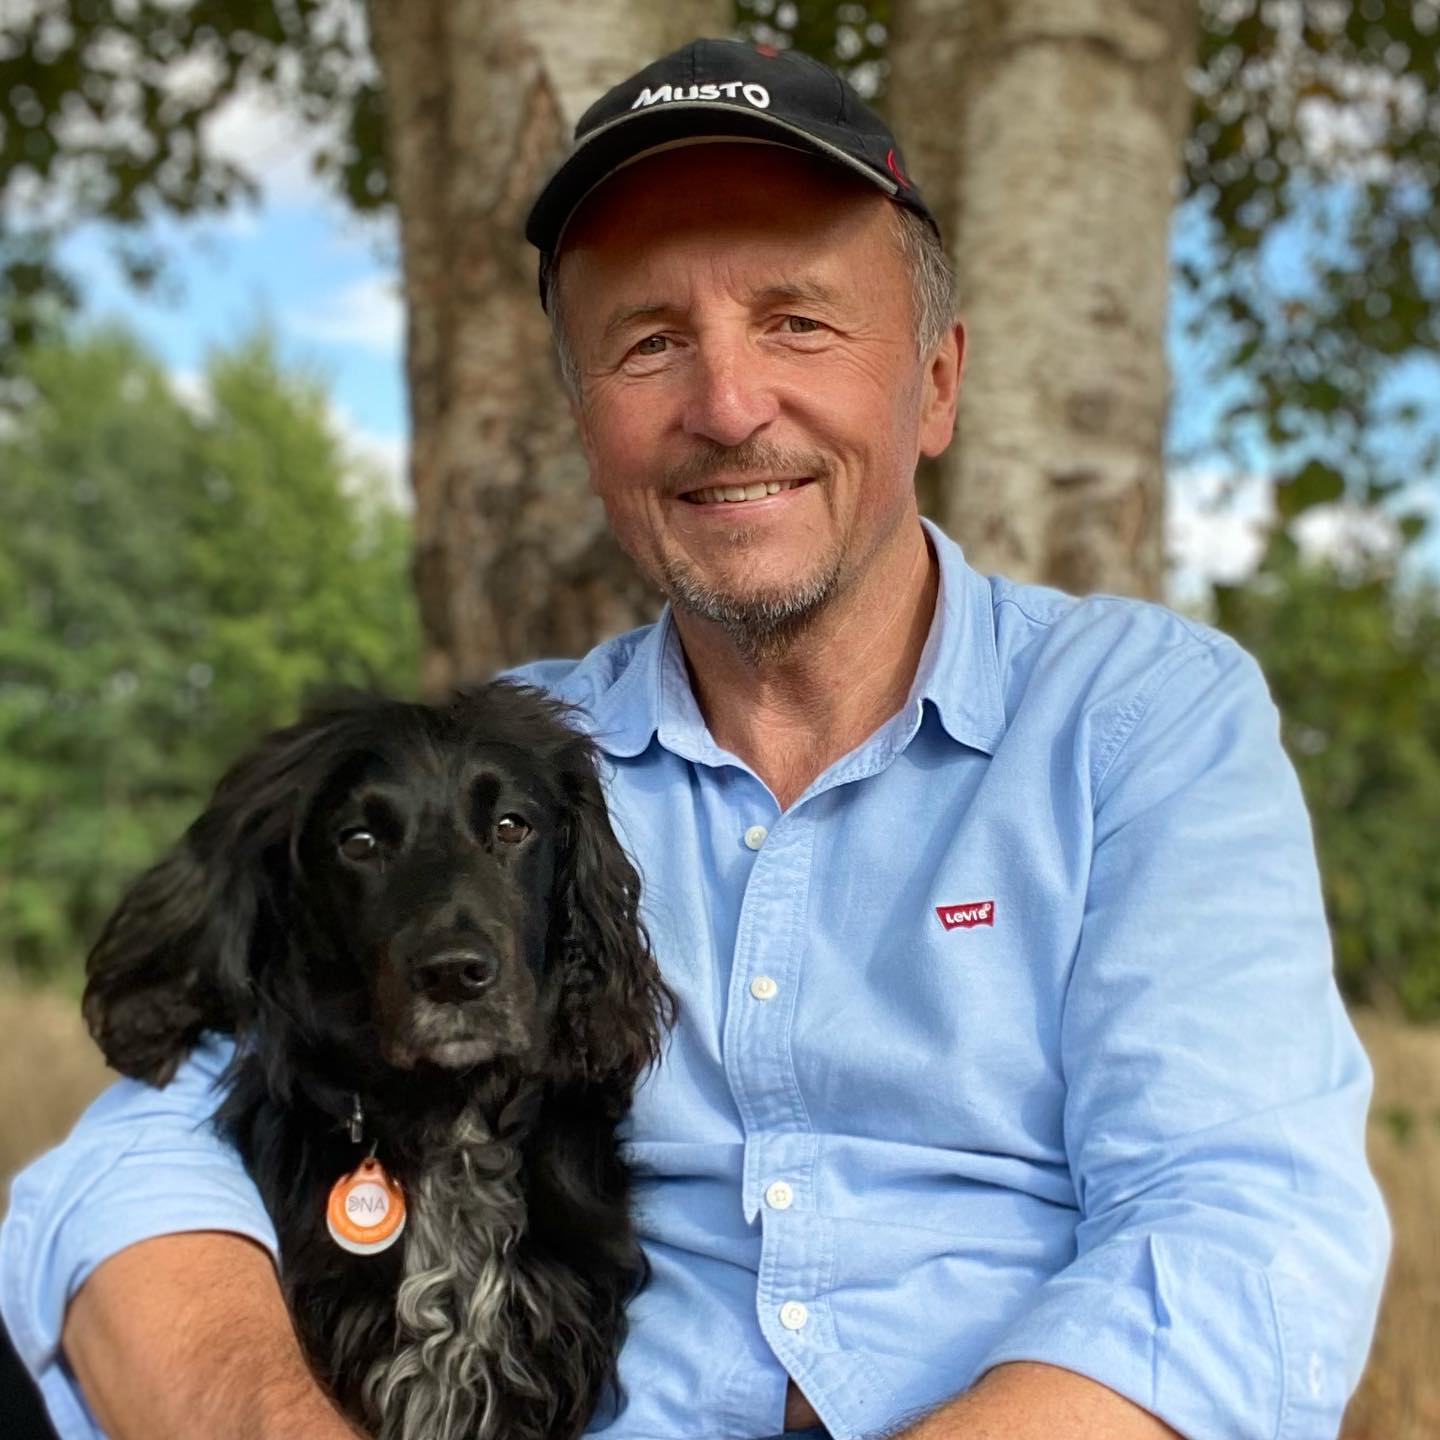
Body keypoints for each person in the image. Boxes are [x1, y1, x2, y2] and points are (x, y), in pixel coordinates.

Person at [1, 37, 1388, 1440]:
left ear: (940, 382)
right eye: (651, 342)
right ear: (585, 421)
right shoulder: (507, 766)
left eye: (798, 322)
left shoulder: (1137, 719)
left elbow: (1241, 1232)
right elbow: (142, 1152)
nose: (727, 409)